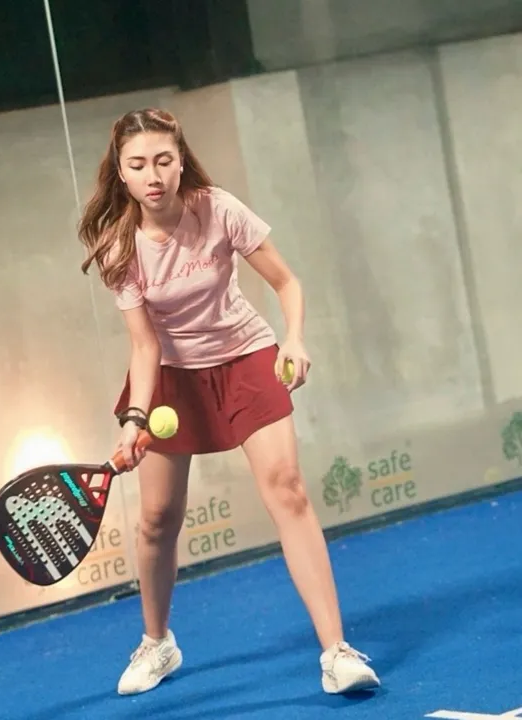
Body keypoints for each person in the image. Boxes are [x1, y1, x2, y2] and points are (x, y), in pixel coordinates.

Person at [78, 108, 381, 697]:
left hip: (245, 358)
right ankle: (157, 643)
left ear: (181, 161)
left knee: (288, 490)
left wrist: (294, 338)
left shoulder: (217, 209)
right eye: (138, 165)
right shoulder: (119, 247)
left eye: (163, 160)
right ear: (120, 172)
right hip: (172, 377)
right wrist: (135, 418)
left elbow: (286, 282)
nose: (153, 175)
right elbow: (144, 345)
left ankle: (336, 652)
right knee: (157, 519)